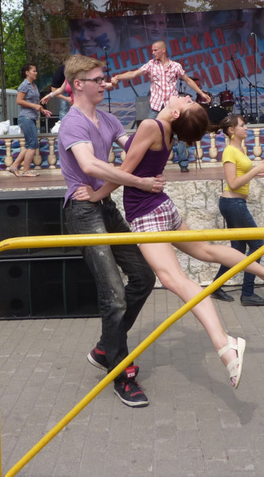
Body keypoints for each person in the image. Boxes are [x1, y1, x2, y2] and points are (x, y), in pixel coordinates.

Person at [80, 94, 264, 390]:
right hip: (162, 205)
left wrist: (97, 195)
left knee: (175, 280)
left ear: (175, 113)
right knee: (205, 250)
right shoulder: (165, 130)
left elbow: (125, 172)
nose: (185, 95)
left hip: (148, 214)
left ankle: (225, 345)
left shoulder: (152, 125)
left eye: (187, 101)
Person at [57, 54, 163, 408]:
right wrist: (140, 182)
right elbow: (90, 165)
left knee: (143, 276)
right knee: (114, 294)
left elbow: (134, 151)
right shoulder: (72, 123)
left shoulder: (108, 119)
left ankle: (106, 346)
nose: (105, 84)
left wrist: (164, 131)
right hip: (82, 211)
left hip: (104, 205)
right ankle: (122, 373)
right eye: (99, 79)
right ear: (79, 84)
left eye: (104, 78)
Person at [111, 41, 210, 172]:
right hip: (156, 106)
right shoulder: (151, 65)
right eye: (152, 50)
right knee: (146, 133)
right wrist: (119, 76)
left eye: (155, 50)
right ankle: (142, 161)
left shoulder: (175, 66)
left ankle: (184, 164)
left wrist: (201, 93)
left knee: (178, 133)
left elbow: (187, 80)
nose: (153, 53)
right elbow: (135, 73)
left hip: (172, 106)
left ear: (163, 50)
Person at [210, 114, 264, 306]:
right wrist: (255, 170)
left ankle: (215, 287)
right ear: (232, 130)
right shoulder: (229, 151)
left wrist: (255, 172)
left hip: (236, 204)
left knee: (238, 249)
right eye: (243, 125)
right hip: (233, 204)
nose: (246, 128)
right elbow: (233, 183)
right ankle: (247, 293)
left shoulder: (239, 149)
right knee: (258, 245)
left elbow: (240, 177)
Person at [8, 63, 51, 177]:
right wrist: (34, 106)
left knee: (29, 145)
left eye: (36, 71)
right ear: (27, 72)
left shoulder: (34, 86)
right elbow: (19, 101)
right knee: (33, 144)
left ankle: (14, 166)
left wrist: (42, 110)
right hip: (26, 118)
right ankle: (26, 170)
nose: (36, 73)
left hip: (32, 118)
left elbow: (35, 104)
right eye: (34, 71)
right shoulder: (24, 85)